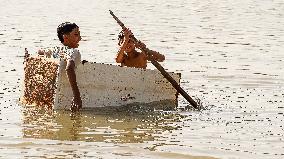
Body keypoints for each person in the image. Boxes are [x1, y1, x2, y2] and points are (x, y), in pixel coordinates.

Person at [37, 22, 82, 111]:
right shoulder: (73, 51)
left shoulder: (54, 49)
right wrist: (77, 97)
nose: (80, 38)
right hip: (63, 96)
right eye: (76, 34)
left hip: (50, 94)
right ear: (65, 37)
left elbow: (39, 52)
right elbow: (69, 69)